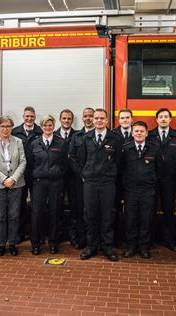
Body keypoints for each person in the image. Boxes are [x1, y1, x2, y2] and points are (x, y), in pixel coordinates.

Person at [72, 108, 122, 262]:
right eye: (96, 118)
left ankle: (107, 246)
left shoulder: (115, 138)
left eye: (102, 118)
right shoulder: (85, 138)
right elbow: (80, 159)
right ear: (93, 120)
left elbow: (119, 161)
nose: (99, 121)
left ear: (107, 121)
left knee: (108, 215)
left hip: (108, 183)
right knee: (90, 215)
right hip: (90, 183)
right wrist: (84, 175)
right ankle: (91, 246)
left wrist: (112, 173)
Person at [26, 115, 68, 255]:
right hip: (39, 183)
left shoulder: (61, 143)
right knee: (37, 213)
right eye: (45, 125)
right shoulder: (34, 143)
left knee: (56, 212)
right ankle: (36, 243)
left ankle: (53, 243)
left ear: (53, 126)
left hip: (56, 183)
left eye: (50, 125)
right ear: (41, 127)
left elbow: (65, 164)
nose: (48, 128)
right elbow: (30, 164)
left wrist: (58, 173)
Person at [0, 116, 26, 257]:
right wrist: (4, 180)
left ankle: (13, 243)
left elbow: (23, 162)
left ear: (12, 128)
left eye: (8, 126)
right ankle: (2, 244)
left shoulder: (18, 142)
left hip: (16, 184)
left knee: (14, 216)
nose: (5, 129)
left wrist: (13, 179)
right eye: (2, 126)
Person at [122, 121, 161, 259]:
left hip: (147, 190)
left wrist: (152, 183)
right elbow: (121, 170)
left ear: (146, 133)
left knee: (146, 219)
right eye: (136, 131)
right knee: (130, 219)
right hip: (130, 190)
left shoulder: (154, 149)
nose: (139, 133)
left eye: (141, 131)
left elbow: (159, 169)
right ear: (132, 133)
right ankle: (131, 246)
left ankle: (144, 246)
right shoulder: (126, 148)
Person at [148, 108, 176, 252]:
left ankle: (169, 240)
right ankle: (149, 240)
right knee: (150, 210)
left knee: (169, 211)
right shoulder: (150, 135)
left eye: (166, 117)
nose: (163, 119)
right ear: (156, 120)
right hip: (152, 179)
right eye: (160, 117)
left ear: (170, 119)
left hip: (170, 180)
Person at [11, 106, 43, 242]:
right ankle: (19, 233)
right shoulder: (15, 132)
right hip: (20, 174)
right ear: (23, 117)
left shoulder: (41, 131)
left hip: (37, 174)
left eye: (32, 116)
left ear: (35, 117)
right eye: (27, 116)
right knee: (19, 205)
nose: (29, 119)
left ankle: (37, 235)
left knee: (37, 205)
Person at [67, 107, 95, 249]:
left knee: (90, 210)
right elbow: (71, 157)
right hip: (78, 180)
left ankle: (91, 239)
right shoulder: (76, 136)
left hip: (94, 181)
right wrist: (81, 174)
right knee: (77, 209)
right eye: (85, 116)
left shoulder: (99, 136)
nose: (88, 118)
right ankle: (78, 237)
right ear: (82, 118)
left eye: (91, 116)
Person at [54, 109, 78, 245]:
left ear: (72, 120)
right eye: (64, 118)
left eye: (69, 118)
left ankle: (73, 234)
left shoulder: (78, 135)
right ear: (60, 119)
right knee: (57, 206)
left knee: (75, 206)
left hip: (73, 177)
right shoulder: (53, 134)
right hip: (57, 177)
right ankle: (58, 234)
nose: (66, 121)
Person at [112, 109, 134, 245]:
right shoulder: (112, 134)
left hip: (132, 178)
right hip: (115, 179)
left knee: (131, 210)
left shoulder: (137, 132)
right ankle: (116, 238)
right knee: (114, 208)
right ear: (118, 120)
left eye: (127, 118)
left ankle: (129, 238)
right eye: (122, 118)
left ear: (132, 119)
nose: (125, 120)